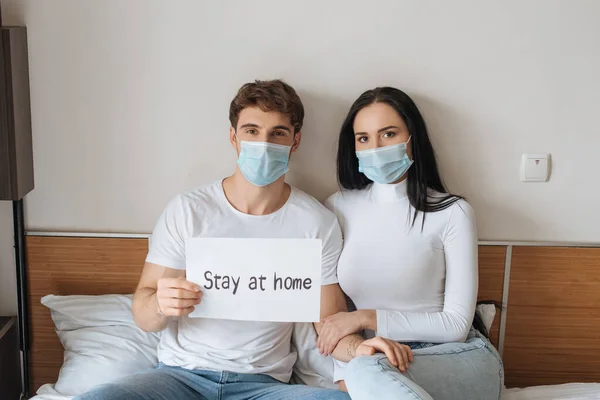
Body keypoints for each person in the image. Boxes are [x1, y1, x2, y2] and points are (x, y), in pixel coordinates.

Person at [74, 79, 354, 400]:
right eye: (251, 131)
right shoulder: (189, 210)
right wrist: (162, 305)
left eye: (277, 133)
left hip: (263, 386)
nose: (263, 143)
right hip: (180, 377)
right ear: (233, 137)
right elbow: (143, 314)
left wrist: (365, 350)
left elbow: (331, 324)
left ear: (295, 141)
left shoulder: (316, 222)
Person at [316, 87, 504, 400]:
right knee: (363, 370)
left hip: (456, 356)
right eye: (363, 138)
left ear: (412, 138)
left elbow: (455, 325)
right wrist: (346, 371)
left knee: (365, 370)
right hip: (377, 357)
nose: (375, 147)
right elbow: (332, 318)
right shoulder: (338, 208)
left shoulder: (452, 212)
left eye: (388, 134)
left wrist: (366, 317)